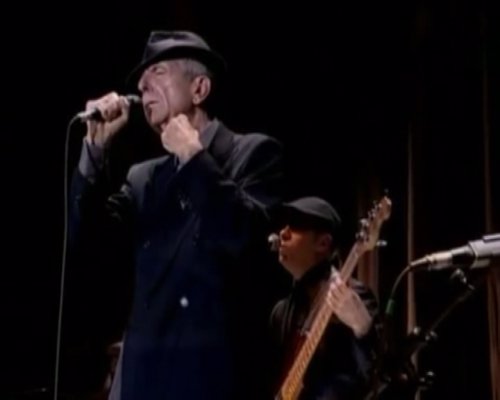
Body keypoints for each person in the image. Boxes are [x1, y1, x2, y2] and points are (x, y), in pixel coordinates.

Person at [68, 30, 284, 400]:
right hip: (143, 383)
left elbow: (248, 242)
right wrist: (95, 151)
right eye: (141, 80)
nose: (142, 85)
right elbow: (91, 249)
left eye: (158, 71)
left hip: (213, 382)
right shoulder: (143, 179)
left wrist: (193, 158)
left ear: (199, 89)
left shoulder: (252, 155)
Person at [268, 197, 380, 400]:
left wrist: (363, 327)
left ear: (323, 243)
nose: (282, 233)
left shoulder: (352, 295)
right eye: (285, 225)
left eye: (296, 225)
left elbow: (377, 374)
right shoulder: (281, 312)